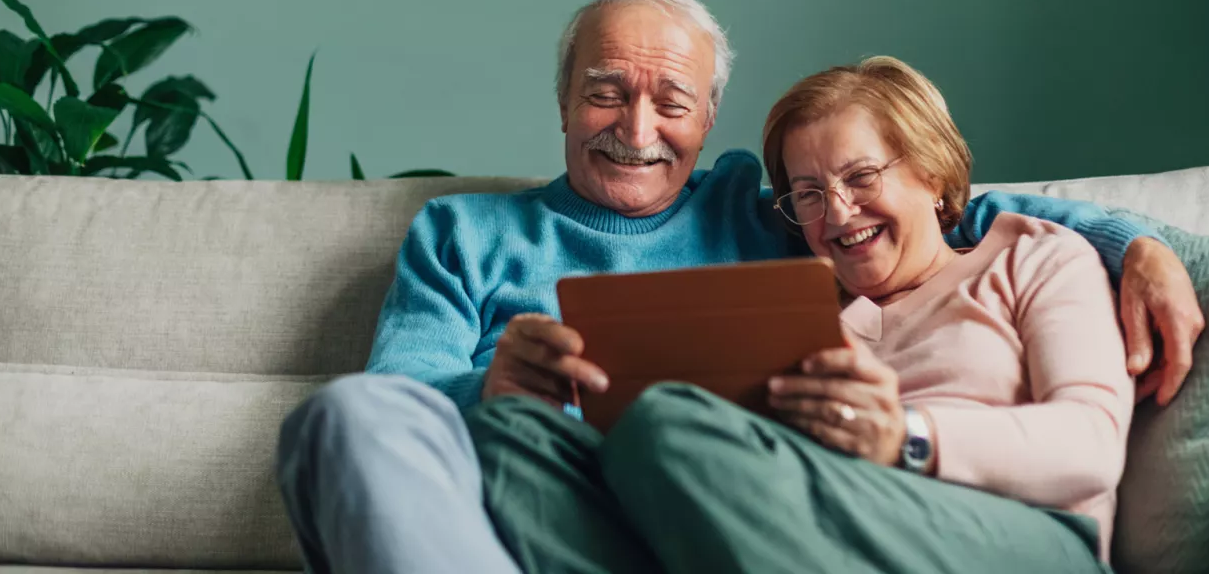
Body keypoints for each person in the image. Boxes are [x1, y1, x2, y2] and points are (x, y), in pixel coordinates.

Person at [276, 0, 1202, 574]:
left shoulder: (758, 213)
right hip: (538, 501)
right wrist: (489, 388)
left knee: (668, 425)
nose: (636, 130)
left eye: (670, 102)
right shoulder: (463, 231)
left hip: (773, 494)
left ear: (707, 121)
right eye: (605, 92)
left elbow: (943, 211)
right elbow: (396, 407)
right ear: (563, 100)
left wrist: (1135, 241)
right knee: (394, 421)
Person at [465, 56, 1132, 572]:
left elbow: (1093, 443)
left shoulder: (1032, 259)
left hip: (1024, 536)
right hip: (816, 536)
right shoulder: (803, 311)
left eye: (862, 178)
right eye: (807, 194)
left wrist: (906, 436)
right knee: (514, 434)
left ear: (932, 172)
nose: (837, 213)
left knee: (670, 422)